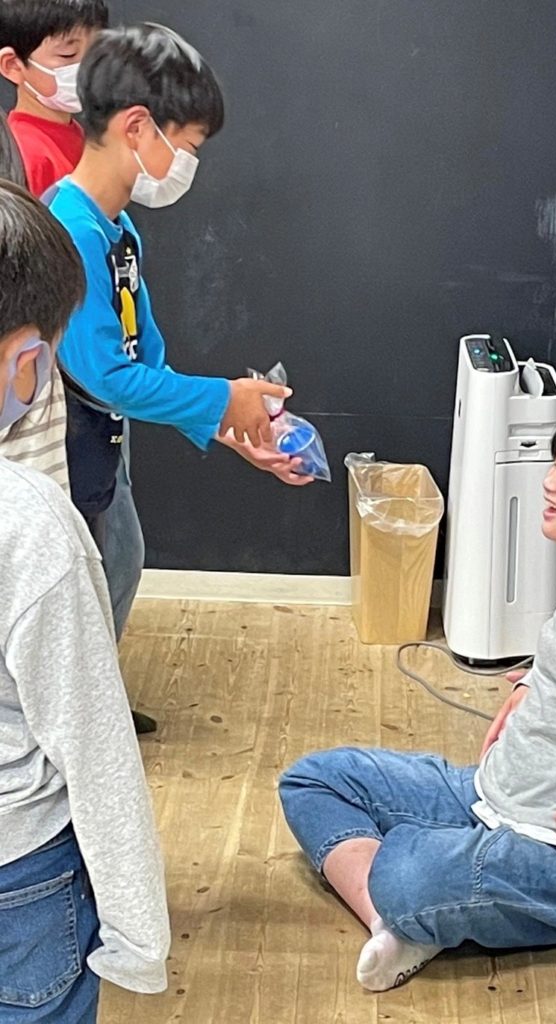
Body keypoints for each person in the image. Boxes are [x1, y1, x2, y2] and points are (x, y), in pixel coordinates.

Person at [279, 410, 556, 992]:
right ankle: (396, 925)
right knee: (314, 780)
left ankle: (412, 906)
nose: (549, 481)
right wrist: (532, 681)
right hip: (492, 793)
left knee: (408, 876)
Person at [45, 23, 312, 731]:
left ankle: (89, 707)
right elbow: (105, 374)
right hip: (62, 453)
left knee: (121, 559)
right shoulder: (69, 232)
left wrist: (233, 427)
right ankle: (71, 723)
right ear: (137, 127)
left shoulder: (119, 231)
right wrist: (223, 397)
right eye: (186, 146)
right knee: (83, 585)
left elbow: (147, 363)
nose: (187, 164)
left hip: (102, 444)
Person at [0, 178, 169, 1023]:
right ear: (26, 360)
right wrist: (140, 936)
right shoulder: (32, 530)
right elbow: (94, 746)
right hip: (19, 881)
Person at [0, 0, 109, 197]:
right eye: (68, 55)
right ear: (12, 65)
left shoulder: (74, 132)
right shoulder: (27, 155)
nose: (89, 66)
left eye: (97, 50)